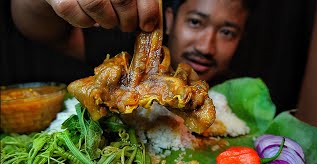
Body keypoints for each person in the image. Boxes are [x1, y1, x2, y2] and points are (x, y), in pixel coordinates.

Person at [8, 0, 253, 87]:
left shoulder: (239, 93)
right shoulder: (122, 47)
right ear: (169, 19)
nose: (206, 47)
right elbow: (39, 29)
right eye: (196, 22)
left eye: (227, 32)